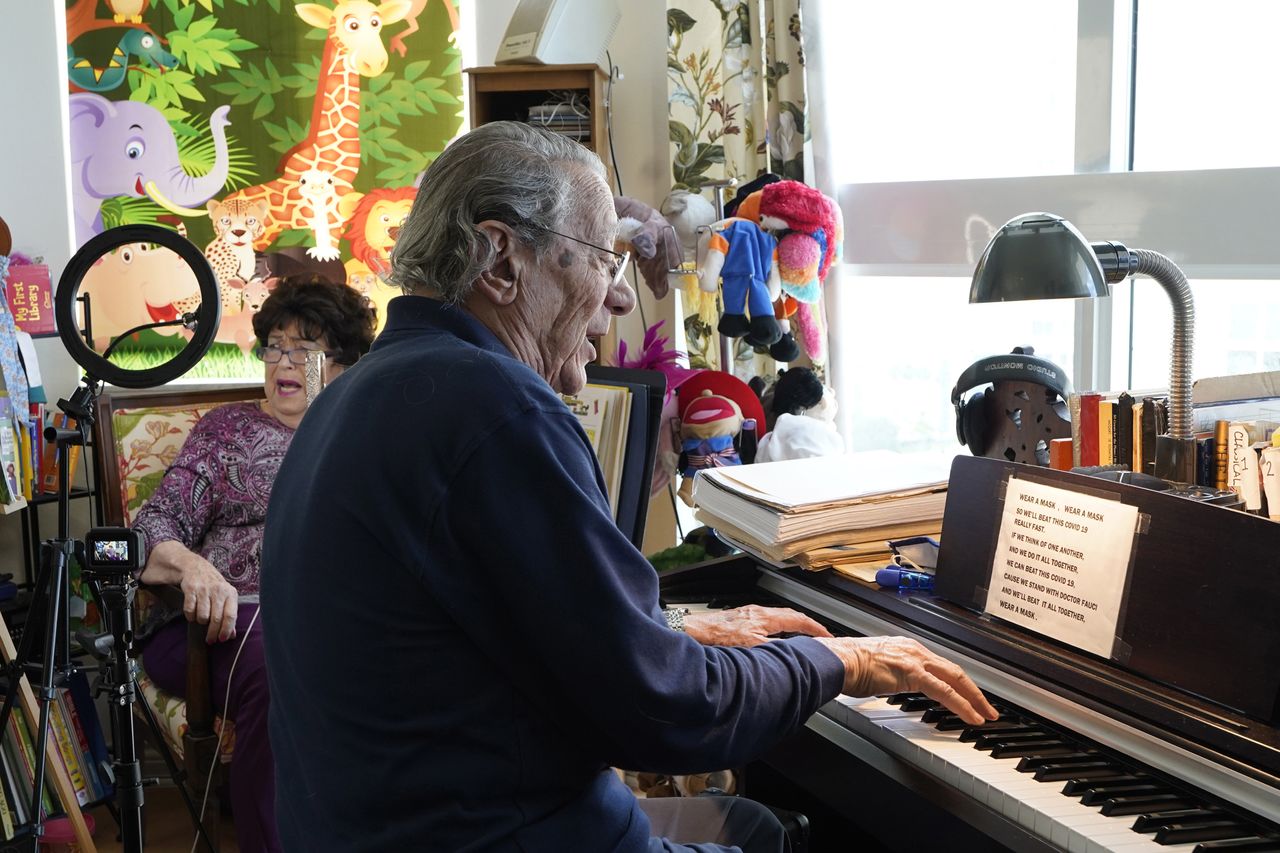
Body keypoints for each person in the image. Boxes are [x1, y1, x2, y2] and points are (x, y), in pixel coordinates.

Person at [261, 122, 997, 852]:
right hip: (497, 835)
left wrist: (661, 634)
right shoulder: (494, 409)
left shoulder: (363, 394)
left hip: (389, 825)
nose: (618, 300)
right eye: (602, 259)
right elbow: (667, 714)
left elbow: (480, 641)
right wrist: (841, 660)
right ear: (501, 261)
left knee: (756, 824)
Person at [131, 276, 377, 853]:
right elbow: (153, 527)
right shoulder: (226, 431)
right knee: (279, 660)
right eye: (275, 345)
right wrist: (194, 569)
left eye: (306, 349)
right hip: (214, 627)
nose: (284, 361)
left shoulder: (362, 436)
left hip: (330, 625)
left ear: (342, 366)